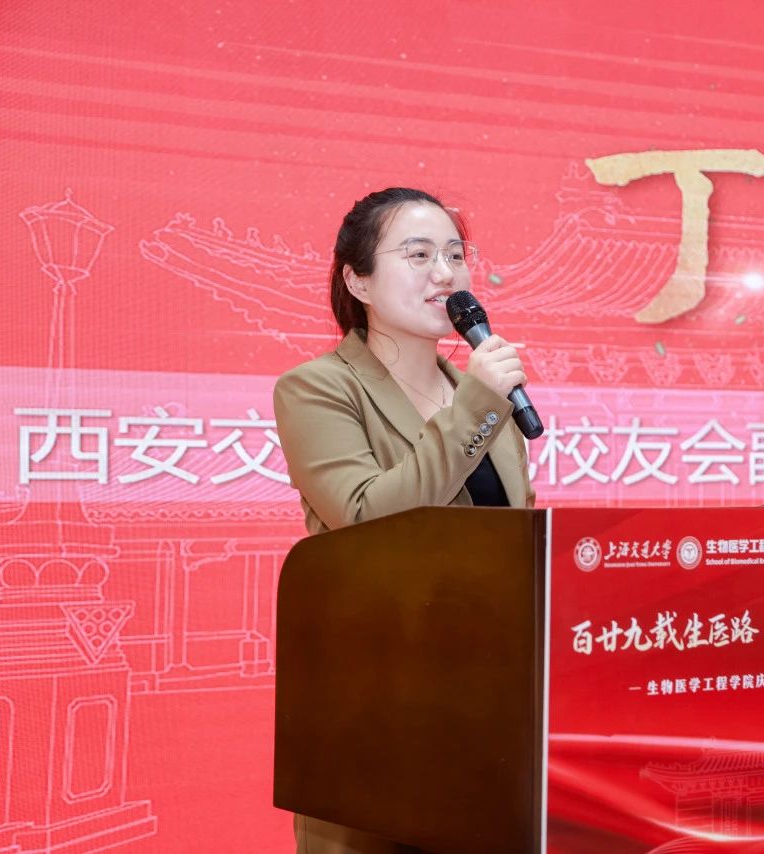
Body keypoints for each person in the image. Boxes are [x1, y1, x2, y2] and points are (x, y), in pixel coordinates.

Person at [272, 187, 535, 854]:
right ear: (357, 280)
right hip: (376, 715)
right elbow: (368, 518)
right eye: (418, 255)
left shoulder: (483, 400)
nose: (444, 273)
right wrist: (478, 403)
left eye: (454, 254)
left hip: (486, 713)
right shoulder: (319, 388)